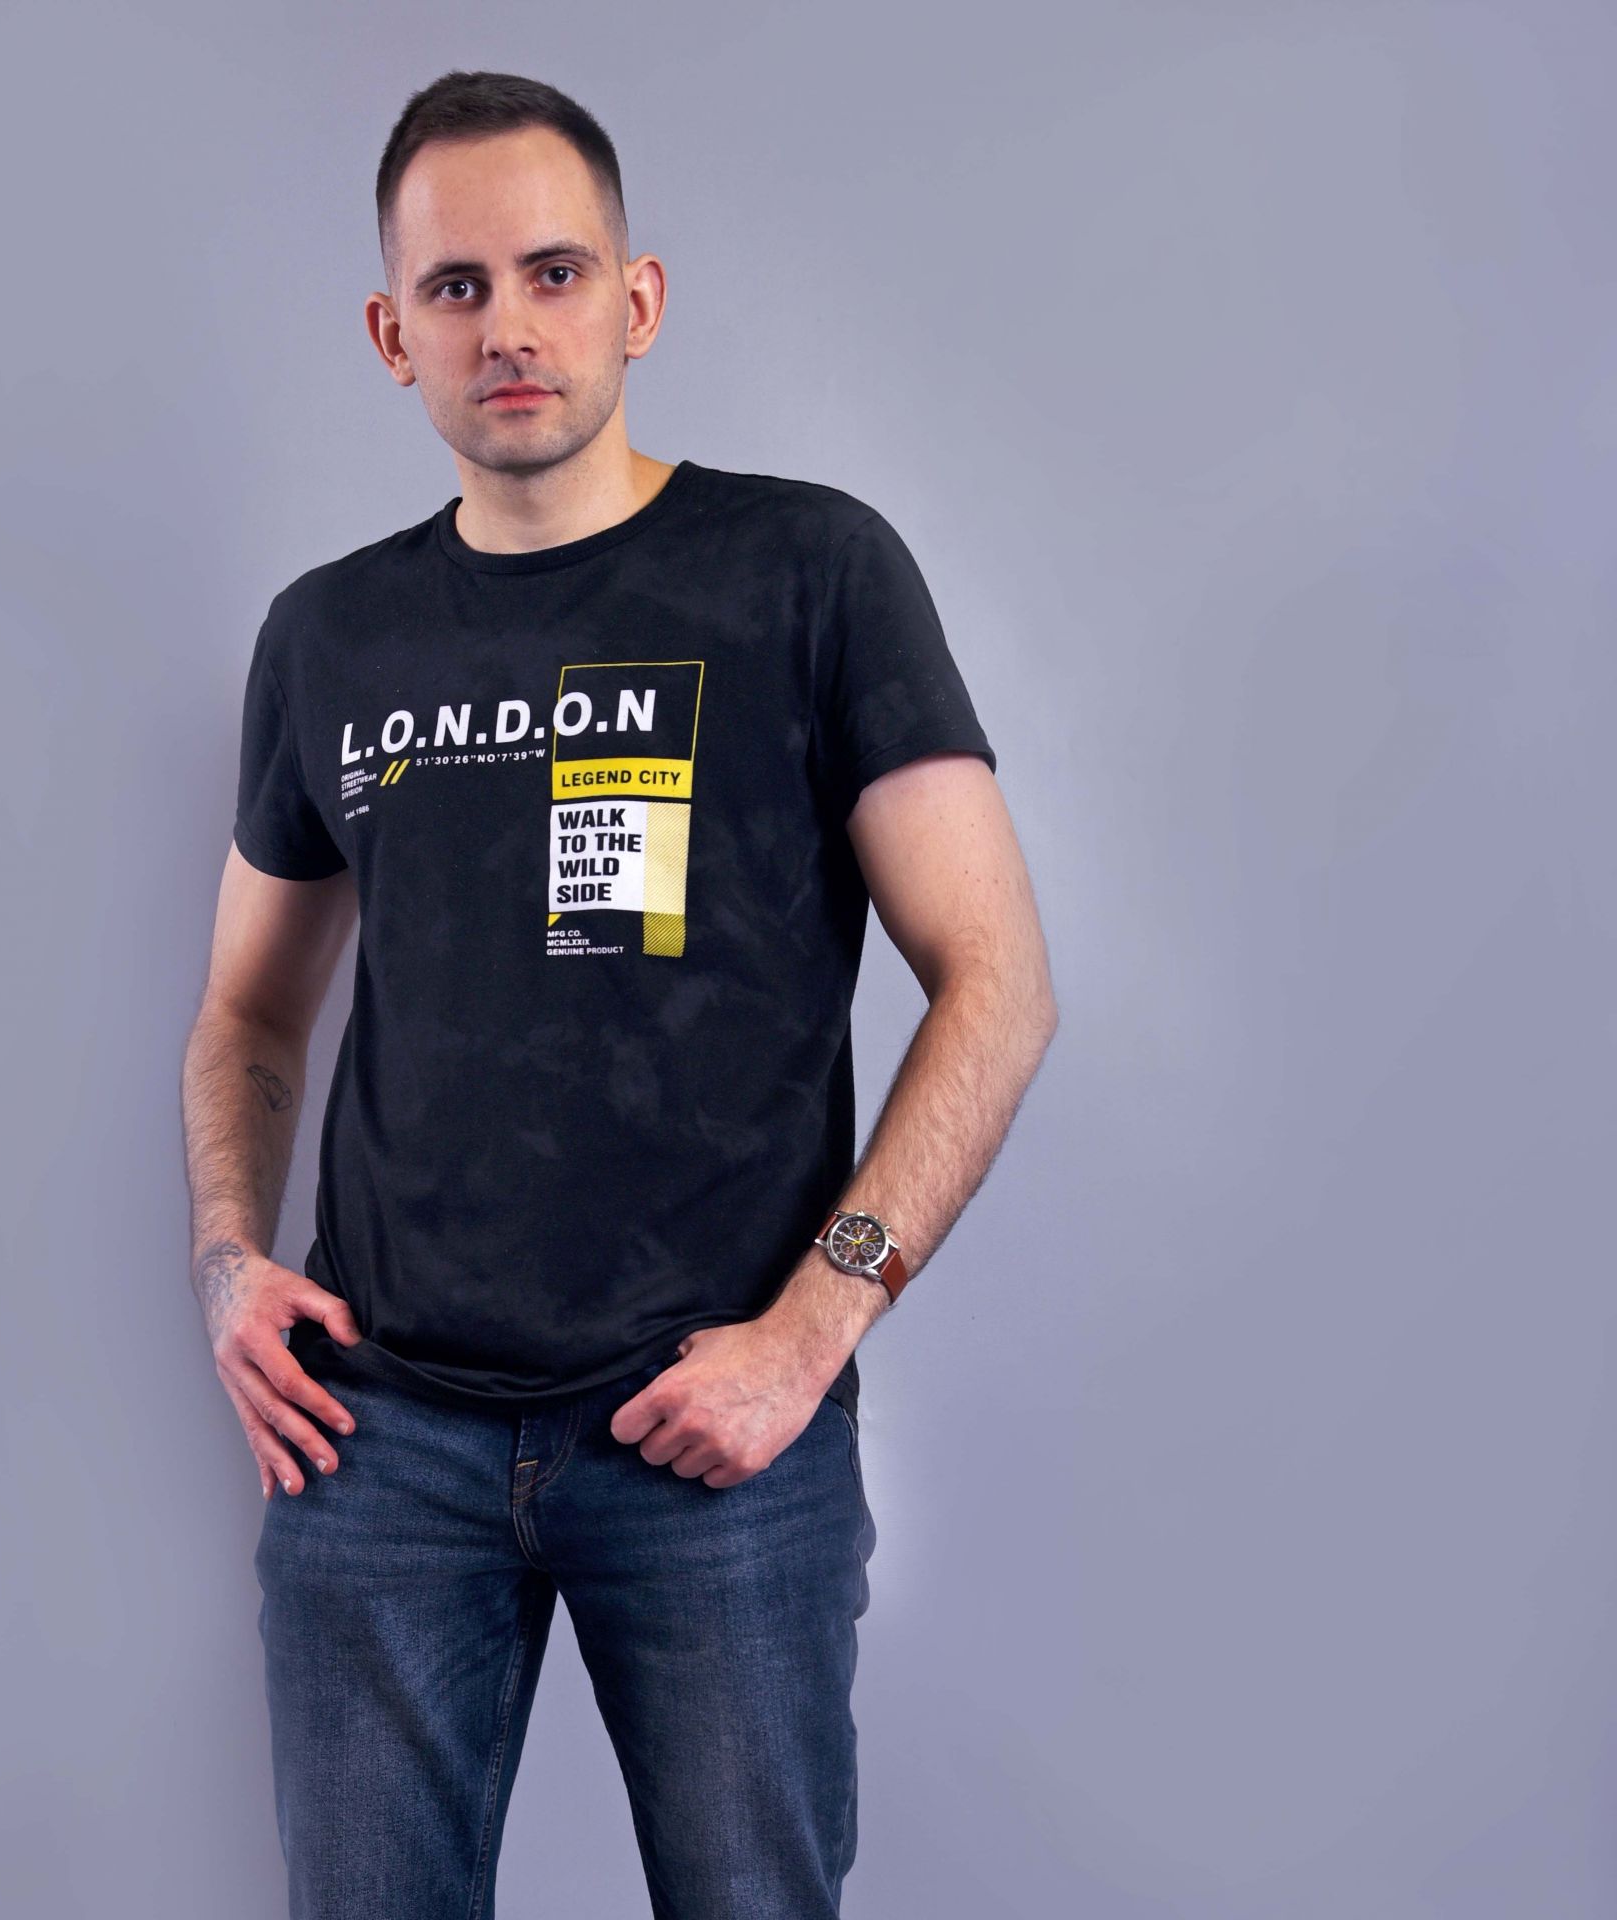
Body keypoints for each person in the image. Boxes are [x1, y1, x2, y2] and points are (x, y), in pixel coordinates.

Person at [181, 67, 1058, 1920]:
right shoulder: (329, 636)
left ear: (637, 300)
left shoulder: (808, 571)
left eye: (554, 272)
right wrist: (228, 1263)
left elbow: (997, 982)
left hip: (713, 1431)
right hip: (381, 1443)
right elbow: (250, 1012)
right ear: (391, 335)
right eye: (456, 287)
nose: (508, 325)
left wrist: (810, 1337)